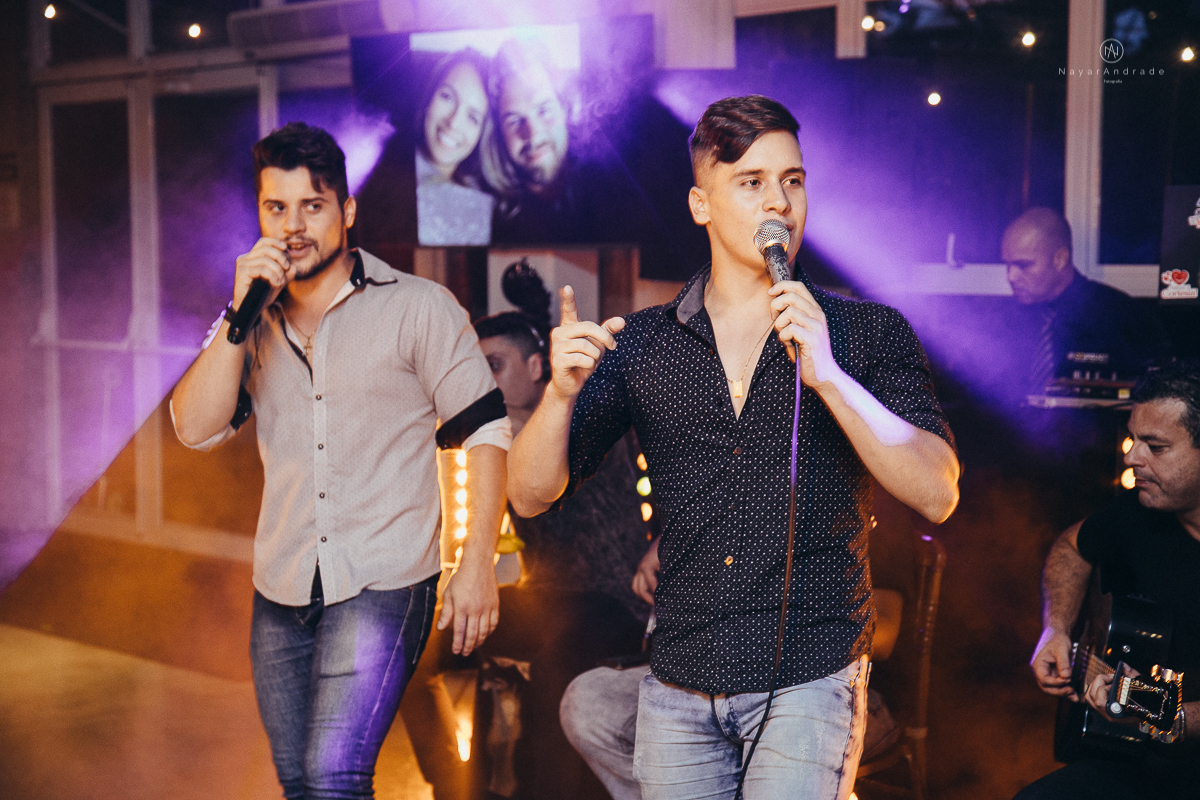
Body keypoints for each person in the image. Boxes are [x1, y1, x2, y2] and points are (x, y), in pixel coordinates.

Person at [507, 95, 960, 799]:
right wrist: (560, 396)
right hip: (679, 679)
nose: (779, 201)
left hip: (811, 674)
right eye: (751, 183)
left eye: (793, 180)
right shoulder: (646, 346)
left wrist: (831, 376)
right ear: (701, 205)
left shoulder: (868, 333)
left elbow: (938, 488)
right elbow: (530, 491)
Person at [170, 121, 508, 799]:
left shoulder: (418, 307)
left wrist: (476, 566)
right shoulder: (249, 324)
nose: (293, 226)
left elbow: (489, 432)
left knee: (332, 775)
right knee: (299, 781)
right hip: (283, 585)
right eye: (276, 208)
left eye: (312, 206)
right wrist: (238, 313)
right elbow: (193, 427)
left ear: (347, 213)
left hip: (385, 581)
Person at [402, 261, 654, 800]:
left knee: (553, 669)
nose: (481, 378)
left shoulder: (578, 415)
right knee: (406, 641)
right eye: (476, 365)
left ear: (538, 365)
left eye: (493, 364)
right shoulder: (502, 429)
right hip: (548, 599)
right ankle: (456, 787)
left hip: (611, 605)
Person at [1020, 360, 1200, 800]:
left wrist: (1156, 711)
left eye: (1154, 446)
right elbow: (1070, 547)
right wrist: (1056, 628)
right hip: (1140, 758)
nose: (1131, 457)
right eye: (1133, 439)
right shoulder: (1140, 512)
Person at [1001, 207, 1171, 395]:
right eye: (1007, 264)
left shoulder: (1124, 316)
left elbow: (1160, 393)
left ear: (1060, 259)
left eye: (1023, 265)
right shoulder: (1003, 321)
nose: (1011, 276)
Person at [416, 49, 496, 246]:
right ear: (430, 96)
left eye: (473, 117)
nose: (453, 122)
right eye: (447, 96)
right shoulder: (390, 175)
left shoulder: (476, 190)